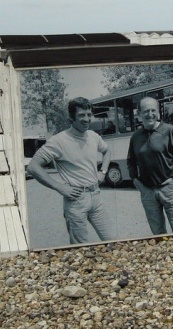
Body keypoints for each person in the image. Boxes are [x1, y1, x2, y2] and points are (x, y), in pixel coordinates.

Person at [27, 97, 114, 244]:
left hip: (96, 196)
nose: (86, 119)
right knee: (81, 248)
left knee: (113, 241)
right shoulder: (58, 141)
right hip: (76, 201)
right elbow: (33, 167)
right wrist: (60, 187)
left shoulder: (93, 136)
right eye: (81, 115)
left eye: (89, 114)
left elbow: (107, 151)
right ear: (71, 118)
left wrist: (103, 172)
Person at [127, 96, 173, 235]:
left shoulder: (169, 130)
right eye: (146, 111)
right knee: (158, 234)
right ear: (139, 114)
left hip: (169, 189)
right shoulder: (136, 136)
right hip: (148, 192)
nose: (150, 114)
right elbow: (131, 161)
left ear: (158, 112)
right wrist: (135, 181)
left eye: (153, 110)